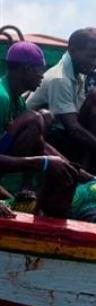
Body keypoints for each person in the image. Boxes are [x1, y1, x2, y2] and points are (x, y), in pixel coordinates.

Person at [26, 28, 96, 170]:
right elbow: (72, 128)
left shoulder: (80, 72)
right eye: (91, 56)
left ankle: (87, 165)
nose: (95, 63)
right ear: (72, 50)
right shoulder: (60, 78)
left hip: (64, 134)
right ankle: (86, 168)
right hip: (44, 139)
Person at [0, 41, 80, 218]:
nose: (42, 76)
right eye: (40, 69)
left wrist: (68, 166)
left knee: (42, 117)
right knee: (35, 118)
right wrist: (41, 163)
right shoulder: (1, 98)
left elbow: (40, 144)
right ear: (27, 69)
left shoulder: (17, 100)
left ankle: (26, 193)